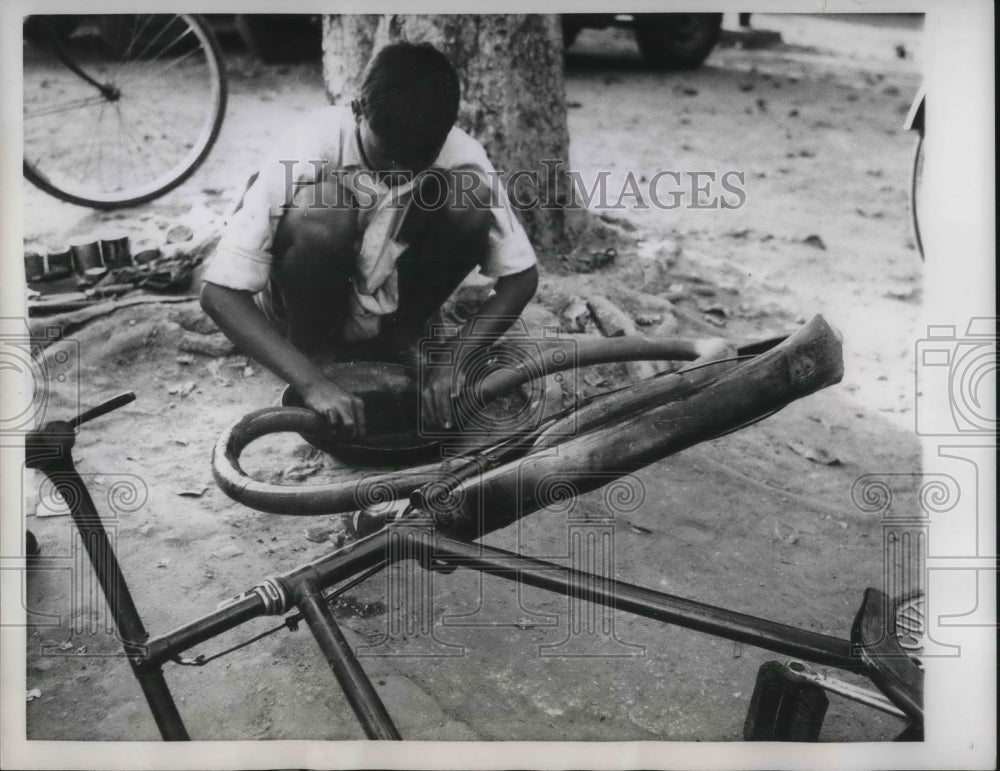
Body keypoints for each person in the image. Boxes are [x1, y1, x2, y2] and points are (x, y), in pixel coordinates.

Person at [200, 42, 539, 439]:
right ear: (357, 110)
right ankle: (314, 352)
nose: (401, 173)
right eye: (386, 158)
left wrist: (455, 359)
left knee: (471, 197)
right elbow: (218, 294)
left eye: (419, 162)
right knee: (323, 208)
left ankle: (404, 337)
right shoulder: (312, 144)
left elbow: (522, 277)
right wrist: (312, 383)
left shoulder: (460, 152)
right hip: (305, 307)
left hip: (394, 310)